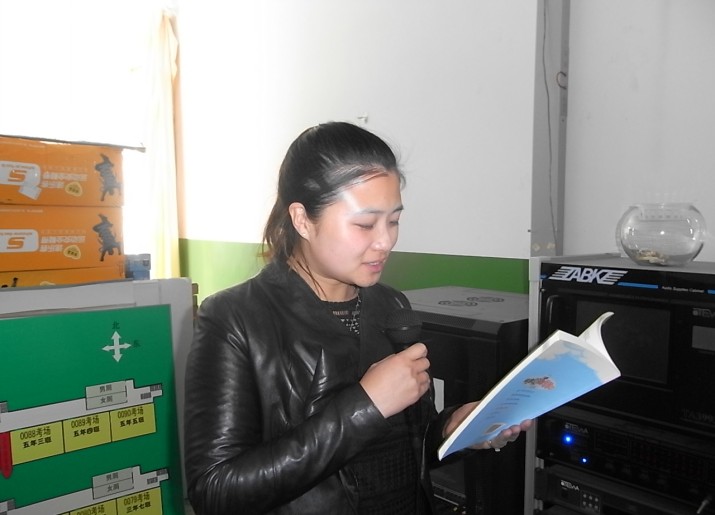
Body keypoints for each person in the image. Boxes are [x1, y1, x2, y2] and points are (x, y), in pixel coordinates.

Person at [183, 121, 531, 514]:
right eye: (365, 224)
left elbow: (404, 447)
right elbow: (215, 491)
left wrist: (454, 430)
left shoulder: (390, 305)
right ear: (302, 219)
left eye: (394, 221)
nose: (386, 241)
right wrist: (366, 405)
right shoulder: (234, 319)